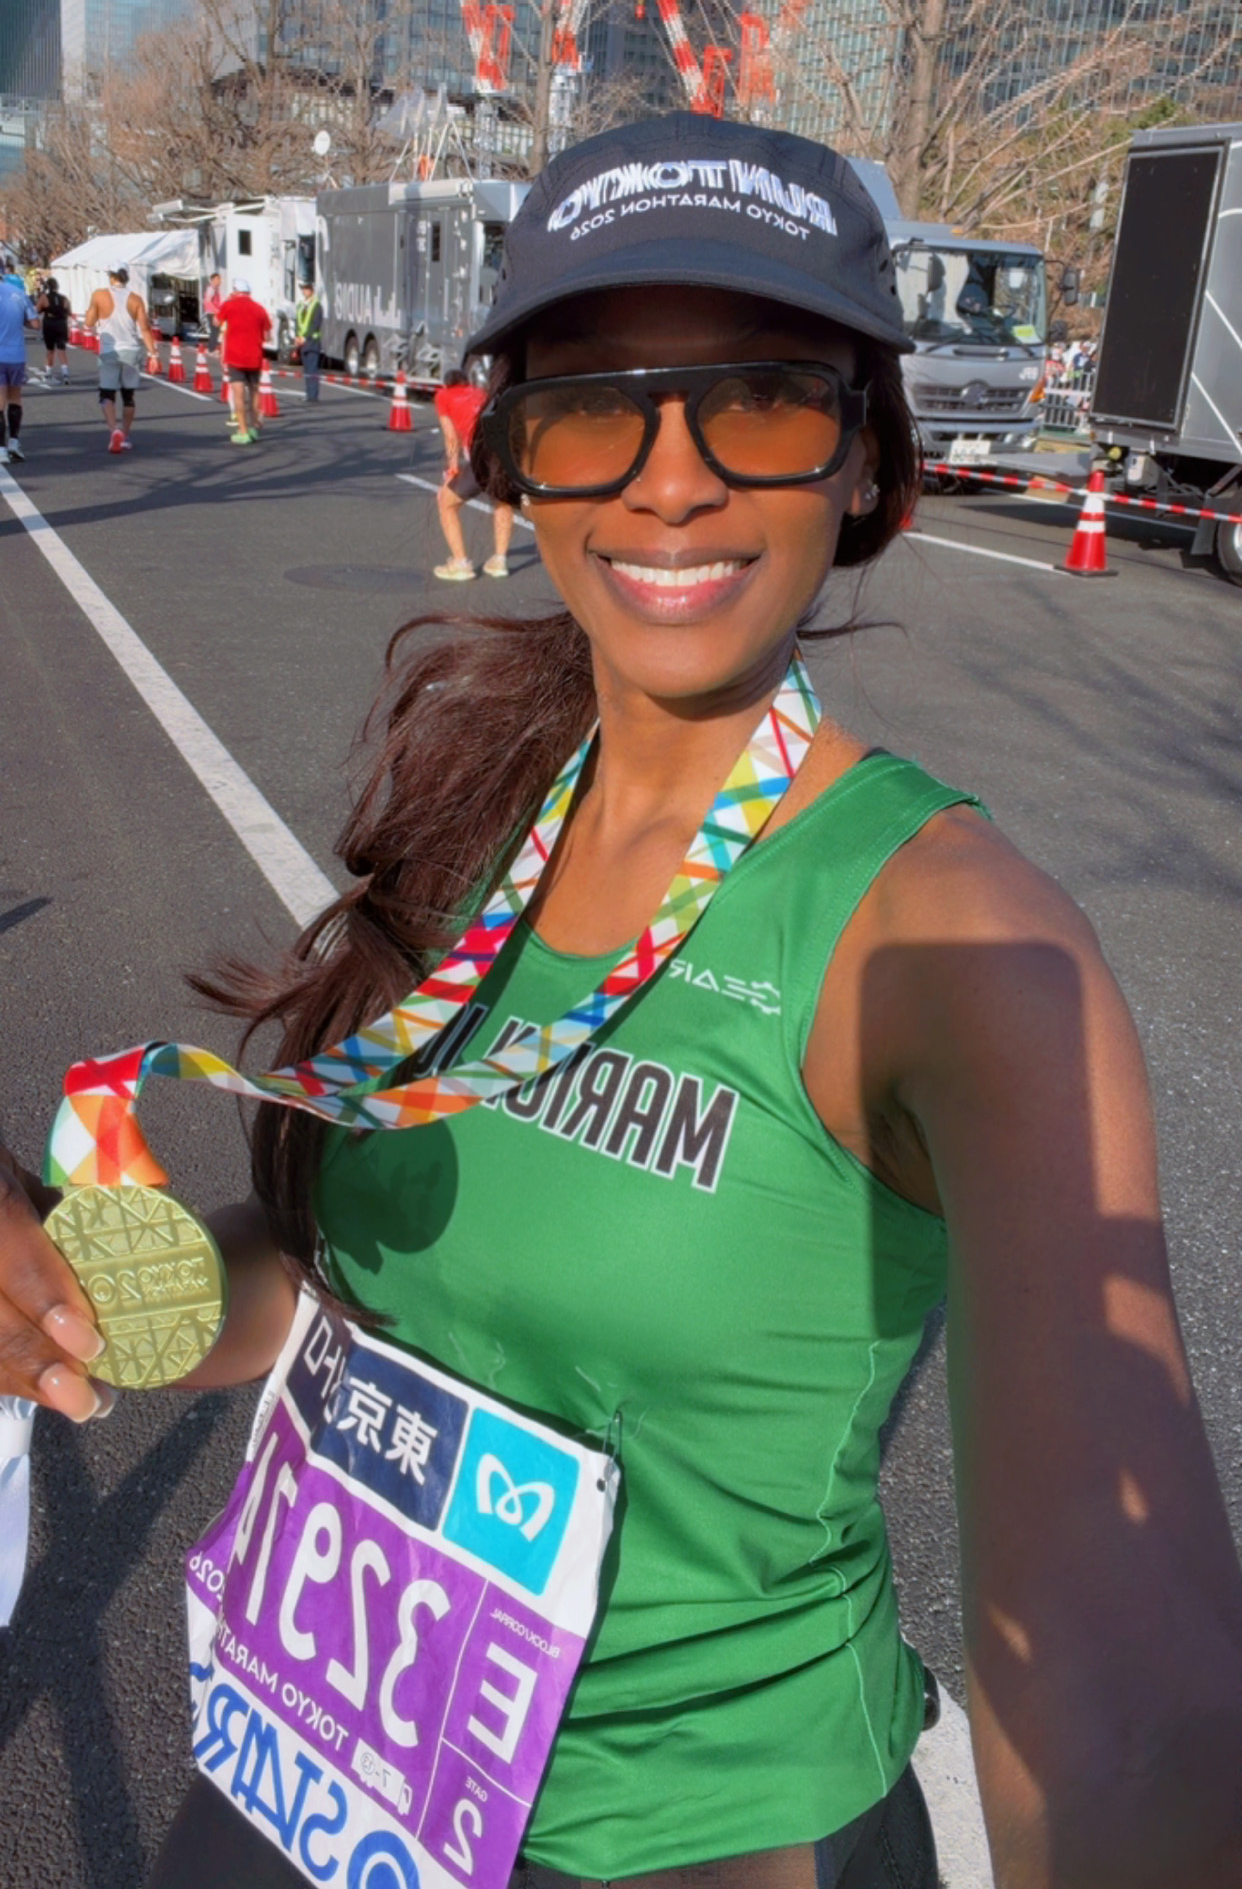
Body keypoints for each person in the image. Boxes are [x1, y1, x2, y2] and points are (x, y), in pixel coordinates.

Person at [3, 115, 1242, 1889]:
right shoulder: (478, 802)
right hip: (322, 1776)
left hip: (689, 1842)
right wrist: (68, 1283)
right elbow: (337, 1299)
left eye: (761, 396)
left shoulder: (958, 940)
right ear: (516, 461)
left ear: (867, 461)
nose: (670, 480)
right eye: (592, 405)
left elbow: (1126, 1702)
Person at [433, 364, 513, 578]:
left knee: (446, 504)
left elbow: (451, 436)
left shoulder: (443, 396)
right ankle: (499, 561)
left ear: (446, 383)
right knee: (502, 501)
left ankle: (460, 564)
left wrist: (452, 468)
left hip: (481, 455)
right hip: (504, 452)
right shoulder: (479, 392)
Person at [84, 265, 157, 452]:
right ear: (126, 278)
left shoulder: (99, 295)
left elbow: (89, 322)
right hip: (131, 349)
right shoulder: (136, 299)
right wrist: (153, 354)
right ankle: (124, 434)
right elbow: (145, 329)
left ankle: (113, 430)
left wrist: (96, 310)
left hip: (109, 350)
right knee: (128, 396)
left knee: (106, 394)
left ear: (111, 277)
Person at [216, 276, 272, 445]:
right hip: (254, 357)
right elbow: (267, 336)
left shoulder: (229, 305)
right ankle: (255, 427)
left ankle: (243, 431)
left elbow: (216, 321)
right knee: (255, 392)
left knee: (239, 395)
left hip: (235, 357)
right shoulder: (260, 309)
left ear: (235, 291)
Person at [0, 263, 37, 463]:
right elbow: (35, 323)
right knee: (15, 398)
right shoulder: (18, 293)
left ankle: (0, 449)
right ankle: (14, 442)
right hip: (16, 355)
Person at [293, 277, 322, 403]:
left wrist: (304, 337)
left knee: (312, 370)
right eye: (303, 289)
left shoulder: (316, 305)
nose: (304, 291)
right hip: (302, 343)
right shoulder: (301, 305)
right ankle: (308, 394)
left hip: (312, 342)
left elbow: (315, 324)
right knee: (306, 370)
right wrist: (297, 337)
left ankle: (313, 395)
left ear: (311, 290)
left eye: (306, 289)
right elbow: (298, 322)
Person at [37, 275, 71, 384]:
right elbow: (68, 311)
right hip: (61, 323)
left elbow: (37, 310)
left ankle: (48, 373)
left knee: (50, 349)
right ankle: (65, 374)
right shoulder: (64, 298)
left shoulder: (44, 297)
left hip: (49, 323)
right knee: (61, 350)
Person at [203, 270, 223, 353]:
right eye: (217, 279)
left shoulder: (216, 289)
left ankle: (212, 347)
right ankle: (211, 349)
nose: (219, 281)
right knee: (214, 330)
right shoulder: (211, 289)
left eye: (219, 279)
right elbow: (208, 300)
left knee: (216, 330)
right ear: (213, 280)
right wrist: (216, 310)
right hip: (212, 312)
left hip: (215, 312)